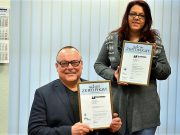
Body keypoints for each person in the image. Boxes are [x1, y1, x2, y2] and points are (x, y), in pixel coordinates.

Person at [94, 1, 171, 135]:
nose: (136, 17)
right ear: (127, 16)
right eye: (133, 14)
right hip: (117, 108)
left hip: (145, 111)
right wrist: (114, 75)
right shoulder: (112, 38)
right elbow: (98, 65)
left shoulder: (154, 41)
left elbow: (165, 72)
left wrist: (151, 61)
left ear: (147, 19)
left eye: (141, 15)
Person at [28, 46, 122, 135]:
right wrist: (70, 131)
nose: (70, 67)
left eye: (74, 62)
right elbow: (34, 131)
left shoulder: (98, 90)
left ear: (81, 64)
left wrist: (111, 128)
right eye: (64, 63)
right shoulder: (43, 94)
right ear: (57, 66)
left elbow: (101, 130)